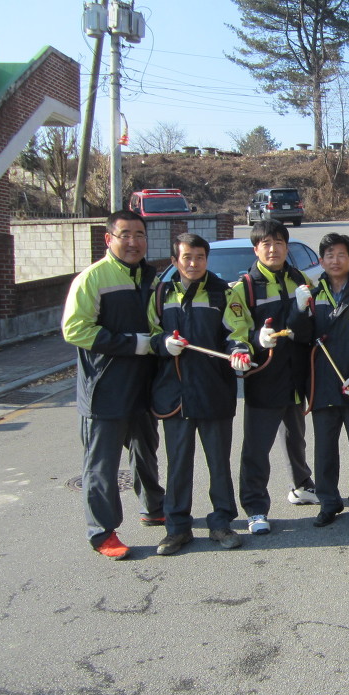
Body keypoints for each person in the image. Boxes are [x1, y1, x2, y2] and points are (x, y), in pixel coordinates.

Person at [62, 210, 165, 560]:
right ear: (109, 239)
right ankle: (102, 532)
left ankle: (153, 507)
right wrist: (132, 344)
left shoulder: (152, 279)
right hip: (104, 389)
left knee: (145, 451)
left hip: (143, 385)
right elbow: (74, 329)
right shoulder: (93, 278)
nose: (133, 242)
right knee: (101, 465)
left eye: (140, 235)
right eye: (125, 235)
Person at [148, 233, 254, 555]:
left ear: (207, 260)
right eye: (187, 257)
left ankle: (222, 523)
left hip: (214, 391)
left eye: (200, 257)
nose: (193, 263)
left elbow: (238, 332)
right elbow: (151, 333)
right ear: (174, 261)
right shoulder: (161, 294)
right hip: (175, 393)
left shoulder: (224, 293)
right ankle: (177, 528)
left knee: (219, 463)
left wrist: (239, 351)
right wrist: (162, 343)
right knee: (178, 465)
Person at [235, 220, 316, 536]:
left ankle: (302, 485)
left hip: (296, 376)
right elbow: (236, 332)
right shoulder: (245, 288)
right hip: (264, 378)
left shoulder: (300, 279)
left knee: (296, 437)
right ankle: (255, 508)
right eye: (266, 244)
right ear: (256, 249)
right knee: (257, 449)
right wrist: (255, 341)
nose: (273, 249)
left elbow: (311, 326)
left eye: (279, 242)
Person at [307, 232, 349, 528]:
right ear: (321, 261)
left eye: (341, 255)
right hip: (322, 386)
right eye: (329, 255)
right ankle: (328, 502)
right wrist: (298, 311)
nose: (335, 260)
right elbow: (301, 338)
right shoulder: (312, 294)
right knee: (324, 450)